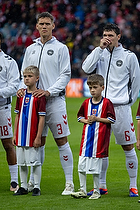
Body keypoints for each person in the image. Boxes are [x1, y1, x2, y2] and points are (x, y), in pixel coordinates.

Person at [18, 12, 74, 195]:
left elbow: (65, 74)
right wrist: (21, 87)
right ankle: (35, 183)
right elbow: (23, 73)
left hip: (54, 101)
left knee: (61, 140)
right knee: (37, 142)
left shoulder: (61, 48)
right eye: (41, 23)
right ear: (36, 26)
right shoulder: (30, 49)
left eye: (47, 24)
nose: (44, 26)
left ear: (53, 26)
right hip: (33, 103)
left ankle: (69, 183)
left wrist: (49, 91)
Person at [82, 23, 140, 197]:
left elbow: (136, 82)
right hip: (100, 107)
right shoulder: (99, 54)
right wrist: (99, 49)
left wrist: (128, 102)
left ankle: (132, 185)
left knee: (128, 146)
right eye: (105, 35)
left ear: (118, 36)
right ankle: (101, 185)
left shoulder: (129, 56)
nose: (107, 38)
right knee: (100, 148)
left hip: (120, 107)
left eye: (111, 35)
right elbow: (86, 68)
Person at [71, 74, 115, 200]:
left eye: (95, 87)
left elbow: (112, 119)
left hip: (99, 140)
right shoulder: (86, 103)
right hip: (86, 140)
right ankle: (82, 190)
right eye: (90, 88)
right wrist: (85, 121)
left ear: (102, 87)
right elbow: (79, 116)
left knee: (95, 167)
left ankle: (96, 191)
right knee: (81, 165)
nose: (92, 90)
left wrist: (97, 119)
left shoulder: (107, 103)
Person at [12, 66, 46, 196]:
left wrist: (38, 136)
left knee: (35, 161)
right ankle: (23, 186)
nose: (26, 79)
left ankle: (37, 187)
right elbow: (17, 115)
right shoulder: (20, 95)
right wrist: (15, 134)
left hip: (32, 135)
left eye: (29, 76)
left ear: (37, 78)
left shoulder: (39, 96)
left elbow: (42, 118)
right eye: (25, 76)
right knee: (21, 162)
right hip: (21, 135)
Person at [0, 32, 20, 192]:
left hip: (2, 108)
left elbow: (14, 86)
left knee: (8, 144)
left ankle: (14, 181)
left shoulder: (8, 62)